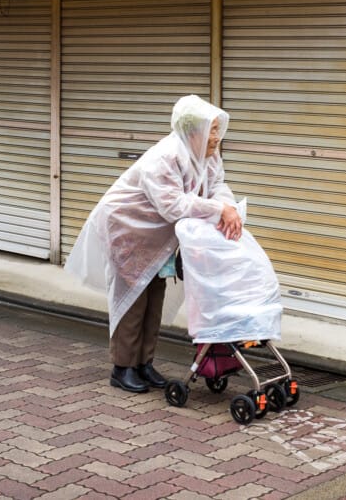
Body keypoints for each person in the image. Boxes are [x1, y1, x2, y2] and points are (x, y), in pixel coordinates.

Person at [66, 95, 243, 393]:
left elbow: (217, 186)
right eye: (211, 130)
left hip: (157, 235)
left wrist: (228, 206)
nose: (216, 137)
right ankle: (122, 368)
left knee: (155, 292)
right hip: (128, 229)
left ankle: (144, 363)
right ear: (193, 130)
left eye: (217, 129)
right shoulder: (165, 157)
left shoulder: (206, 155)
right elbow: (172, 205)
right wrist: (217, 210)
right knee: (133, 297)